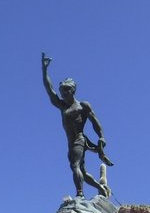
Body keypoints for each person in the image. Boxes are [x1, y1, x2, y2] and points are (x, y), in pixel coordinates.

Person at [42, 52, 112, 198]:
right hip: (70, 143)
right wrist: (44, 70)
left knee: (75, 166)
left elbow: (95, 122)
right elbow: (49, 90)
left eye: (66, 90)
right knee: (82, 171)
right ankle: (101, 187)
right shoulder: (62, 106)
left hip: (79, 139)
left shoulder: (82, 106)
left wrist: (102, 136)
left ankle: (79, 194)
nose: (63, 94)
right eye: (62, 91)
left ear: (73, 90)